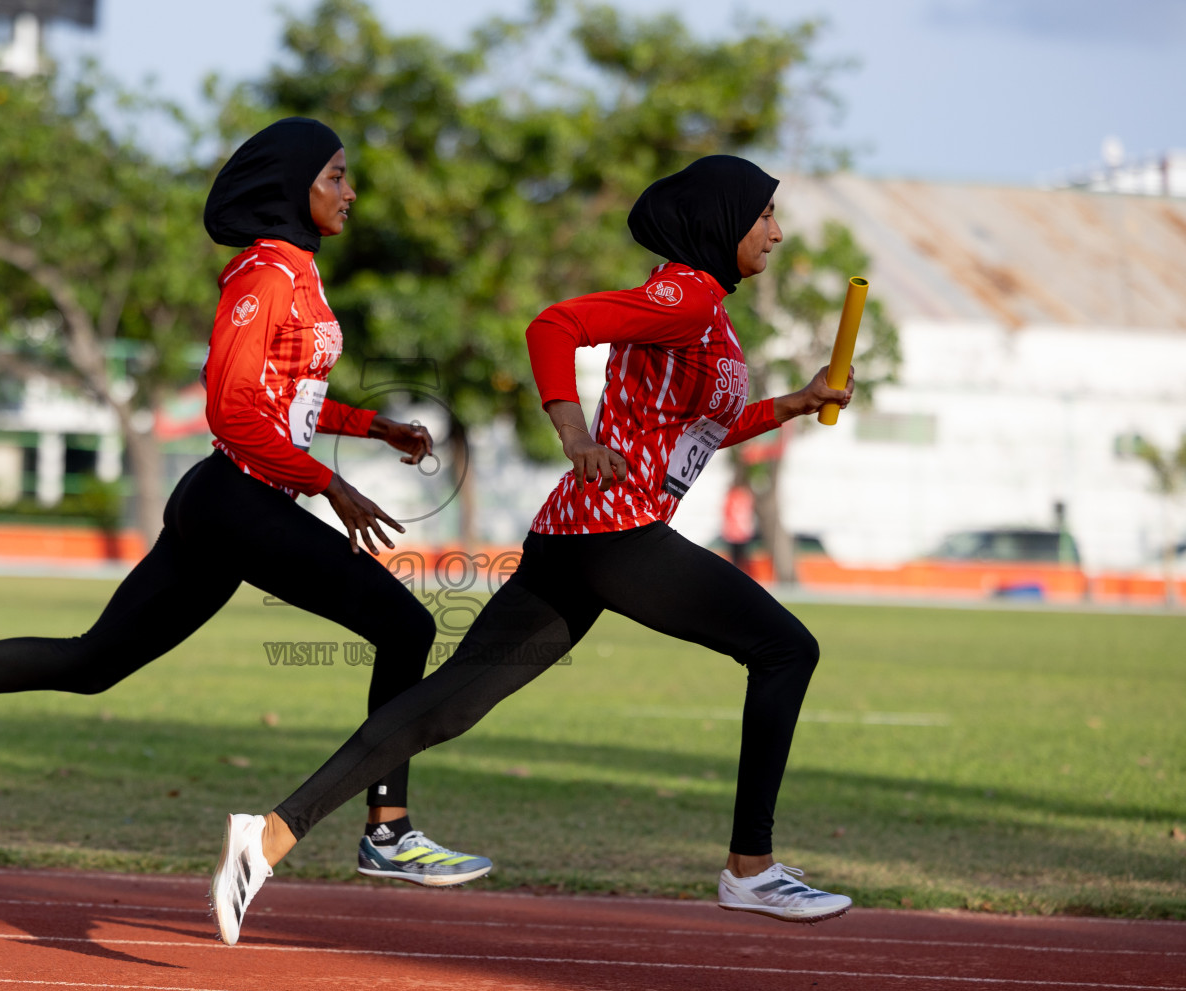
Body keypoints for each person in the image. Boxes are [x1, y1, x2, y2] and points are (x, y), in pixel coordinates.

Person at [0, 117, 493, 900]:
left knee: (93, 663)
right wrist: (330, 484)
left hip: (233, 506)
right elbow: (233, 410)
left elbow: (286, 399)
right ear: (292, 186)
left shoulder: (301, 271)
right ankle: (387, 831)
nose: (351, 191)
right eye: (336, 176)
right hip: (234, 500)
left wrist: (374, 427)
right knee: (403, 625)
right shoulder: (264, 274)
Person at [210, 155, 856, 944]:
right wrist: (574, 433)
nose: (778, 233)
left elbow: (695, 430)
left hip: (579, 538)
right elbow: (554, 326)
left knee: (448, 705)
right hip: (615, 532)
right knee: (786, 648)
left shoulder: (708, 311)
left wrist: (795, 403)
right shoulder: (685, 293)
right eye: (764, 218)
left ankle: (268, 835)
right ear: (723, 221)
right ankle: (751, 871)